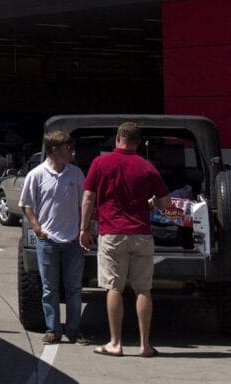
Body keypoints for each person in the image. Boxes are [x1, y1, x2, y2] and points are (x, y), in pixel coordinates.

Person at [79, 121, 171, 358]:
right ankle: (145, 345)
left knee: (113, 287)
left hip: (112, 234)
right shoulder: (147, 167)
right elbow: (165, 203)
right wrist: (150, 204)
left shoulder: (101, 163)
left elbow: (89, 197)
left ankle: (115, 343)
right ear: (138, 142)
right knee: (143, 289)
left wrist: (84, 228)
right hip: (141, 233)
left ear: (117, 138)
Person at [19, 130, 90, 345]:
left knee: (74, 288)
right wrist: (37, 228)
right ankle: (53, 329)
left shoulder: (76, 174)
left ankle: (74, 329)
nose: (70, 151)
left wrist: (83, 229)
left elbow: (83, 203)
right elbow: (26, 204)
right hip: (47, 241)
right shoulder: (36, 175)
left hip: (72, 241)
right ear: (53, 150)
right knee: (49, 288)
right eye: (67, 148)